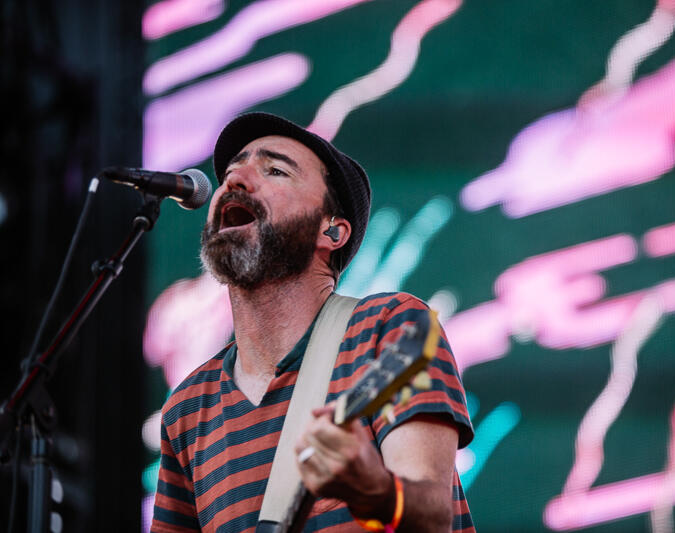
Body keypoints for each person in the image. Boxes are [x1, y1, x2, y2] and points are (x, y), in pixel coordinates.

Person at [150, 112, 474, 533]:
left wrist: (374, 491)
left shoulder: (390, 329)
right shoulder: (187, 408)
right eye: (233, 170)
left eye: (275, 170)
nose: (236, 180)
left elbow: (433, 518)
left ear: (332, 231)